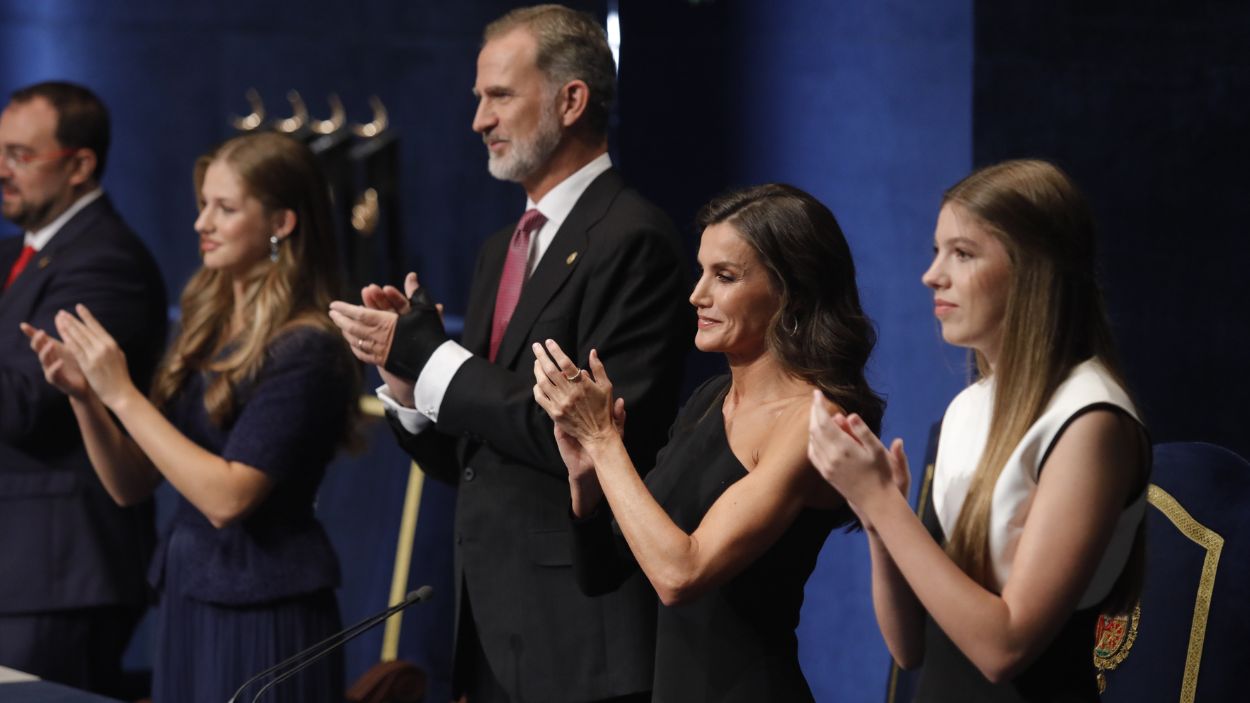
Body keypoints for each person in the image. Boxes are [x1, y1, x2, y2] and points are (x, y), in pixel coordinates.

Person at [327, 5, 689, 701]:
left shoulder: (632, 240)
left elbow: (579, 439)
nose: (479, 121)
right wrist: (408, 385)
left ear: (571, 99)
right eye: (477, 100)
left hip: (582, 640)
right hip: (495, 631)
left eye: (499, 96)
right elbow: (476, 461)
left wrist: (434, 360)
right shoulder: (504, 247)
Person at [25, 131, 358, 703]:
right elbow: (131, 485)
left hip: (264, 610)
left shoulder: (308, 346)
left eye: (224, 209)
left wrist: (122, 393)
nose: (202, 222)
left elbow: (228, 499)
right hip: (189, 595)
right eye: (203, 204)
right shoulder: (208, 325)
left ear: (281, 222)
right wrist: (86, 396)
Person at [807, 159, 1149, 701]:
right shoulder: (965, 412)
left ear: (1033, 268)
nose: (932, 274)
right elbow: (911, 646)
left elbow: (1003, 649)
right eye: (936, 250)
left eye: (962, 253)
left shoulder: (1090, 420)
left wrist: (881, 502)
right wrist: (878, 518)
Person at [531, 183, 885, 702]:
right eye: (702, 272)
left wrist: (605, 439)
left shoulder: (813, 422)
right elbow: (605, 571)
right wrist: (586, 475)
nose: (697, 295)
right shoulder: (710, 399)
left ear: (791, 291)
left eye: (725, 277)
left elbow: (681, 574)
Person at [0, 81, 166, 695]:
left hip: (55, 575)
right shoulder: (18, 255)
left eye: (20, 155)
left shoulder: (105, 262)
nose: (1, 171)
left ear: (80, 165)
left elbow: (24, 404)